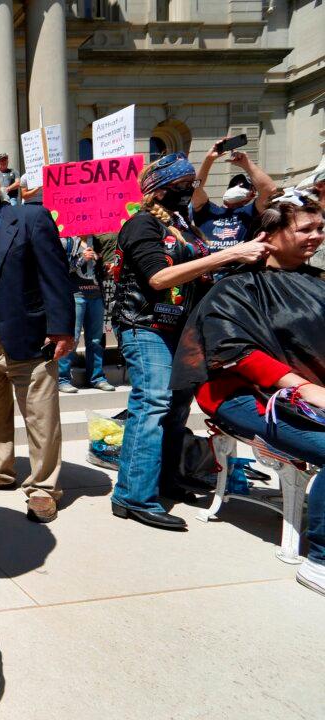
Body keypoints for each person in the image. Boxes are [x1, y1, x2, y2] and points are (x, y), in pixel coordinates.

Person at [173, 190, 325, 596]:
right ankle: (320, 561)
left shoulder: (318, 283)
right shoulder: (236, 288)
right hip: (240, 394)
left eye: (321, 228)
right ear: (270, 235)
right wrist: (306, 389)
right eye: (305, 229)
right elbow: (235, 352)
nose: (316, 236)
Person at [110, 152, 271, 530]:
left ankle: (165, 481)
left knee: (177, 408)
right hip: (146, 326)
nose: (188, 190)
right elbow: (158, 278)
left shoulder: (184, 224)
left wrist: (239, 257)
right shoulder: (142, 224)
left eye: (191, 184)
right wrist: (229, 253)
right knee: (152, 403)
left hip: (181, 330)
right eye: (180, 185)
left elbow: (199, 270)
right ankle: (132, 496)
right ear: (157, 190)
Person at [0, 159, 75, 522]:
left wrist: (62, 328)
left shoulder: (29, 218)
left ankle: (43, 488)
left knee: (41, 418)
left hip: (29, 337)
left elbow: (55, 274)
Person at [192, 140, 277, 258]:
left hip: (240, 268)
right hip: (207, 268)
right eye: (234, 185)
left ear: (251, 195)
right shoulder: (207, 211)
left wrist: (246, 164)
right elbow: (195, 188)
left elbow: (270, 191)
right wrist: (208, 160)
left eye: (243, 186)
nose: (236, 188)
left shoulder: (251, 213)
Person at [58, 235, 116, 393]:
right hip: (75, 295)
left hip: (96, 295)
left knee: (96, 340)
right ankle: (62, 378)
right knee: (72, 338)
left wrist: (107, 270)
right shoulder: (68, 242)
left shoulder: (97, 242)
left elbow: (100, 273)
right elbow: (61, 269)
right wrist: (81, 259)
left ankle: (97, 378)